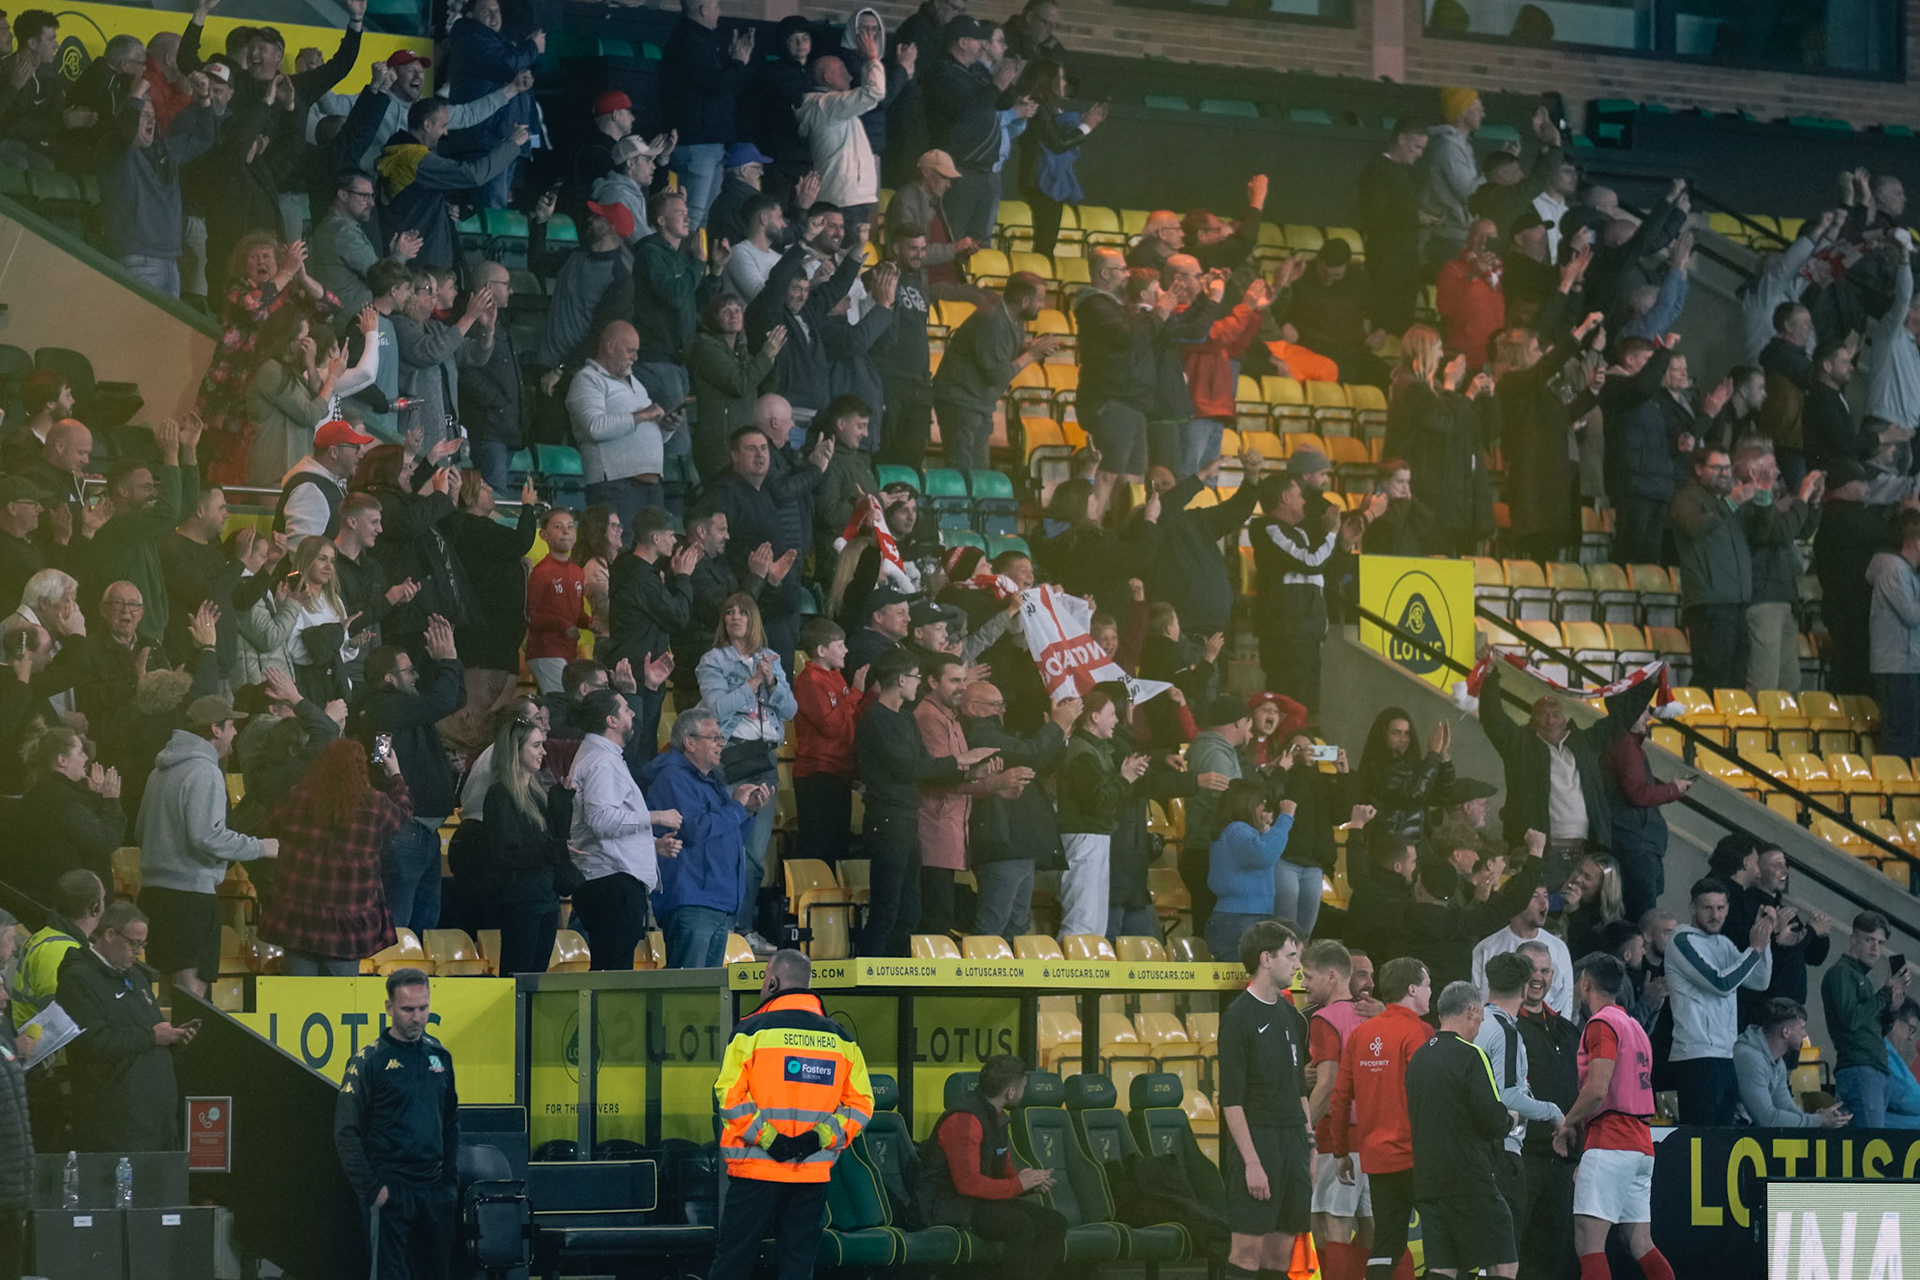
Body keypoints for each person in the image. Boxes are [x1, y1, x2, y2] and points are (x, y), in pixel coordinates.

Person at [709, 949, 873, 1280]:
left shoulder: (749, 1031)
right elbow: (861, 1104)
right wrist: (817, 1138)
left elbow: (729, 1096)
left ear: (773, 982)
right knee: (798, 1268)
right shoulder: (841, 1039)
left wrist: (770, 1139)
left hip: (755, 1171)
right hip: (809, 1174)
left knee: (733, 1263)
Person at [854, 648, 995, 954]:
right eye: (916, 677)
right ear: (901, 679)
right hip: (886, 820)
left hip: (908, 819)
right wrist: (960, 761)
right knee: (886, 908)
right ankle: (871, 971)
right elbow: (908, 767)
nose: (918, 683)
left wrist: (968, 770)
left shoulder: (905, 718)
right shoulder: (875, 719)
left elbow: (925, 764)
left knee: (910, 910)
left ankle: (899, 973)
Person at [137, 694, 278, 998]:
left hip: (152, 894)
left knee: (165, 992)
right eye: (231, 726)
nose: (235, 733)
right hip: (189, 897)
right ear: (216, 729)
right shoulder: (205, 771)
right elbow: (208, 836)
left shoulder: (158, 771)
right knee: (192, 993)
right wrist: (261, 847)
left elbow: (140, 830)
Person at [1553, 953, 1676, 1280]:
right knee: (1640, 1243)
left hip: (1611, 1140)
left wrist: (1565, 1124)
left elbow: (1597, 1089)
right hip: (1641, 1144)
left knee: (1588, 1242)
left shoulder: (1601, 1024)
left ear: (1585, 983)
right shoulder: (1634, 1026)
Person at [334, 968, 460, 1280]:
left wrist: (449, 1183)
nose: (417, 1018)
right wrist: (373, 1190)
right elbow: (346, 1132)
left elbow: (451, 1122)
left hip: (435, 1192)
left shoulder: (440, 1056)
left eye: (423, 1008)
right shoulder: (368, 1061)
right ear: (389, 1007)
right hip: (391, 1192)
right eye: (408, 1009)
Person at [1211, 919, 1312, 1280]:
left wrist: (1310, 1143)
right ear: (1266, 959)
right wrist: (1251, 1162)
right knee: (1247, 1249)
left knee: (1280, 1253)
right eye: (1291, 956)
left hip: (1293, 1142)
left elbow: (1299, 1088)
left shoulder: (1290, 1015)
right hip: (1258, 1141)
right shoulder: (1238, 1017)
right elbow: (1232, 1100)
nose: (1298, 964)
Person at [259, 735, 411, 975]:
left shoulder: (297, 798)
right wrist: (395, 775)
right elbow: (403, 813)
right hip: (348, 928)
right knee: (341, 993)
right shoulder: (375, 805)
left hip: (299, 923)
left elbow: (269, 826)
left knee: (295, 992)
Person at [1476, 657, 1634, 887]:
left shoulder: (1586, 743)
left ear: (1565, 719)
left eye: (1556, 714)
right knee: (1545, 906)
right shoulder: (1519, 745)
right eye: (1543, 714)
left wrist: (1651, 682)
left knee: (1578, 907)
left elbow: (1621, 720)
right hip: (1541, 855)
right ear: (1532, 719)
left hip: (1586, 853)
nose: (1550, 720)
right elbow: (1493, 718)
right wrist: (1490, 674)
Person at [57, 902, 195, 1153]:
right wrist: (153, 1036)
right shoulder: (78, 978)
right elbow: (93, 1041)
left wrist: (173, 1039)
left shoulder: (136, 976)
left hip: (156, 1118)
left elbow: (151, 1030)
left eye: (143, 945)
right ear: (109, 934)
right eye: (134, 944)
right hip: (115, 1123)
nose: (139, 953)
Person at [354, 619, 463, 935]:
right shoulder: (383, 708)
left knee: (422, 927)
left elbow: (454, 699)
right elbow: (443, 700)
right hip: (405, 831)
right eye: (409, 671)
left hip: (424, 831)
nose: (416, 676)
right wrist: (447, 660)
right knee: (398, 926)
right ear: (389, 678)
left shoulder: (399, 710)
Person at [1406, 979, 1519, 1280]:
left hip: (1428, 1181)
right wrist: (1511, 1118)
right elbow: (1492, 1119)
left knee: (1443, 1267)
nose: (1480, 1026)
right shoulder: (1471, 1054)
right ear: (1471, 1010)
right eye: (1480, 1017)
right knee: (1504, 1264)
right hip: (1469, 1180)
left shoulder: (1419, 1058)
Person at [1328, 956, 1432, 1280]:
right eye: (1428, 985)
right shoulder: (1419, 1031)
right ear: (1412, 989)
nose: (1431, 992)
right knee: (1444, 1236)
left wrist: (1341, 1151)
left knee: (1386, 1242)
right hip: (1418, 1156)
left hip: (1377, 1158)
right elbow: (1430, 1094)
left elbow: (1340, 1097)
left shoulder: (1361, 1034)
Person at [919, 1053, 1067, 1280]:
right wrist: (1017, 1185)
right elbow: (967, 1183)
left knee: (1054, 1222)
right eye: (1023, 1087)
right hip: (950, 1206)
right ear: (1011, 1092)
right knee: (1020, 1226)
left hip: (978, 1202)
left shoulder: (997, 1116)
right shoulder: (965, 1119)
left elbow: (1001, 1165)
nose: (1024, 1092)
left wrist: (1028, 1182)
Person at [643, 707, 768, 968]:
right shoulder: (672, 777)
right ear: (690, 743)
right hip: (692, 898)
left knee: (707, 989)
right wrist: (736, 808)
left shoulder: (710, 781)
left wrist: (748, 812)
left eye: (721, 737)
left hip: (716, 899)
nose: (721, 743)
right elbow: (691, 831)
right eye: (714, 738)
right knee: (689, 987)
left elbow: (729, 838)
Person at [468, 716, 575, 977]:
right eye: (536, 745)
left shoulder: (536, 794)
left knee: (537, 978)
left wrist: (562, 803)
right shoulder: (500, 795)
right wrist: (554, 850)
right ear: (515, 750)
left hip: (546, 898)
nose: (544, 752)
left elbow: (554, 838)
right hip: (521, 901)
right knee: (519, 977)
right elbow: (506, 852)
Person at [1665, 877, 1777, 1124]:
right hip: (1695, 1057)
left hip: (1725, 1054)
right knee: (1700, 1137)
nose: (1715, 915)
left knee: (1723, 1139)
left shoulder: (1723, 943)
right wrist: (1754, 949)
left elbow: (1759, 981)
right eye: (1707, 908)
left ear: (1727, 909)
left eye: (1720, 908)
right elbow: (1721, 984)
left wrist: (1764, 939)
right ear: (1693, 908)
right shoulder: (1681, 939)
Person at [931, 271, 1057, 471]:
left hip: (978, 402)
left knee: (979, 470)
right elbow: (997, 375)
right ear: (1024, 301)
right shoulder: (991, 319)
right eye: (1040, 300)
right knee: (963, 468)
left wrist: (1030, 347)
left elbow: (1002, 351)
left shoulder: (1015, 316)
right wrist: (1031, 355)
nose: (1043, 305)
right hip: (960, 401)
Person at [1474, 954, 1564, 1235]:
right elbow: (1508, 1097)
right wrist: (1554, 1113)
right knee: (1505, 1247)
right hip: (1501, 1152)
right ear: (1525, 987)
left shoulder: (1475, 1023)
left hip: (1474, 1151)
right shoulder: (1505, 1031)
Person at [1601, 681, 1690, 923]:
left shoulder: (1625, 743)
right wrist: (1672, 790)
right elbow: (1638, 794)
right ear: (1630, 713)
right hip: (1635, 844)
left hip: (1638, 843)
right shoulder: (1625, 745)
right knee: (1642, 919)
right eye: (1643, 712)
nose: (1648, 717)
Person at [1820, 909, 1907, 1128]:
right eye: (1869, 939)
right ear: (1853, 938)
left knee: (1866, 1140)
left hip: (1870, 1069)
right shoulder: (1841, 973)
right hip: (1860, 1069)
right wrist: (1884, 994)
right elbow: (1851, 1019)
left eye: (1880, 942)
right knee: (1871, 1141)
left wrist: (1892, 1010)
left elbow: (1873, 1030)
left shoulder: (1859, 978)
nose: (1875, 948)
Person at [1203, 781, 1297, 959]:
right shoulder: (1237, 829)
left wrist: (1266, 831)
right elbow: (1263, 855)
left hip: (1244, 917)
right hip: (1238, 919)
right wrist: (1285, 818)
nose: (1265, 809)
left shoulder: (1239, 831)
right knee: (1244, 974)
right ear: (1246, 802)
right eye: (1261, 802)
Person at [1733, 997, 1847, 1128]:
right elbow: (1767, 1119)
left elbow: (1786, 1108)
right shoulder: (1749, 1059)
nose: (1805, 1034)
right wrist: (1818, 1121)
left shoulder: (1778, 1063)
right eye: (1802, 1028)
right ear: (1786, 1032)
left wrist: (1817, 1119)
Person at [1472, 881, 1574, 1017]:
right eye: (1535, 896)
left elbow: (1566, 1000)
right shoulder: (1486, 949)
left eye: (1545, 896)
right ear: (1516, 902)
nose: (1544, 902)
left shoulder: (1559, 948)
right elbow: (1476, 1000)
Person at [1871, 509, 1920, 759]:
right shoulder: (1894, 570)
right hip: (1896, 666)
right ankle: (1892, 780)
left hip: (1908, 664)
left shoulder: (1909, 573)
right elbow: (1910, 614)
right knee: (1901, 736)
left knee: (1910, 735)